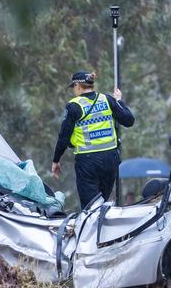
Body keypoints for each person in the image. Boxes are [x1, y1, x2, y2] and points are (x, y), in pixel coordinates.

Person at [52, 71, 134, 209]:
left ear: (78, 86)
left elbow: (64, 136)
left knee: (91, 209)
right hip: (110, 160)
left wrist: (56, 160)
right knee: (101, 206)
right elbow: (129, 120)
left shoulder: (74, 106)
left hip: (88, 163)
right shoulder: (107, 100)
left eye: (73, 87)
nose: (73, 91)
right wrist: (119, 101)